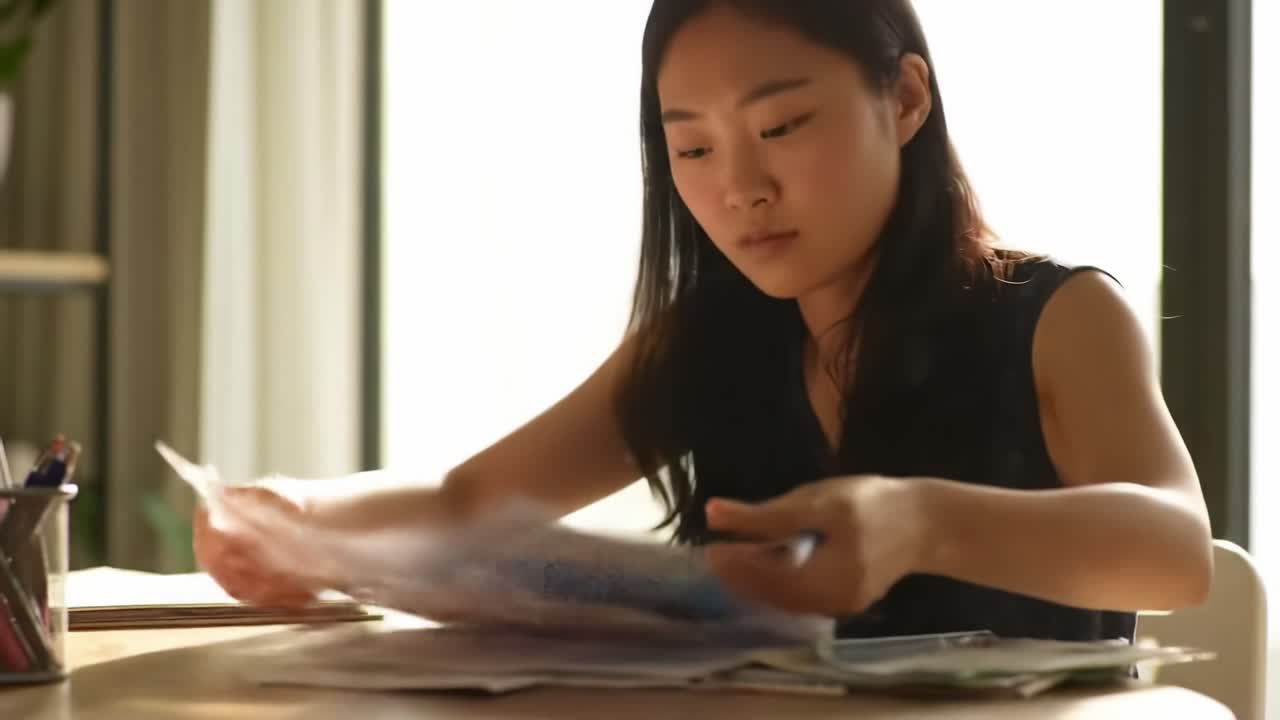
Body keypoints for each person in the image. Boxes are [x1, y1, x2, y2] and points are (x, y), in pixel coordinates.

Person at [195, 0, 1213, 642]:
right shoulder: (713, 339)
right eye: (692, 150)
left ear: (902, 101)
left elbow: (1175, 552)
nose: (740, 188)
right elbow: (475, 499)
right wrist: (294, 515)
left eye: (779, 126)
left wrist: (917, 524)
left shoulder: (1055, 314)